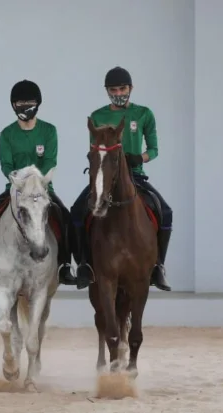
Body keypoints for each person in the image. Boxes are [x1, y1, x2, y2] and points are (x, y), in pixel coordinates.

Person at [71, 66, 173, 291]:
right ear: (107, 91)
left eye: (122, 88)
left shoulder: (144, 114)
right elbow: (96, 150)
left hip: (135, 177)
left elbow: (154, 149)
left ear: (131, 88)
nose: (118, 93)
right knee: (77, 210)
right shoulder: (98, 117)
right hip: (105, 178)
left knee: (165, 212)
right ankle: (84, 265)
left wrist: (140, 157)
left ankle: (159, 266)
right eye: (113, 89)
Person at [0, 79, 76, 287]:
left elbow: (49, 162)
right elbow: (6, 165)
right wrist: (20, 182)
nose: (24, 107)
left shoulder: (49, 131)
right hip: (15, 191)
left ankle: (64, 266)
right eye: (19, 103)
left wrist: (35, 182)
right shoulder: (7, 134)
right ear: (13, 105)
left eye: (29, 102)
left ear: (37, 103)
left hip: (43, 191)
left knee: (66, 220)